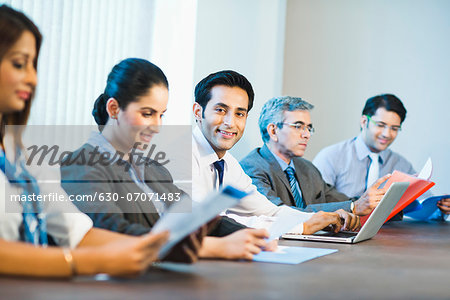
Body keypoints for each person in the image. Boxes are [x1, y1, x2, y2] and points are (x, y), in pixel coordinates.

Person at [0, 5, 180, 278]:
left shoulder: (19, 156)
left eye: (33, 65)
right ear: (114, 109)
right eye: (18, 64)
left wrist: (174, 247)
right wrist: (85, 262)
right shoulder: (82, 165)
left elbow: (77, 233)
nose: (32, 78)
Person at [60, 58, 275, 261]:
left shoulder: (151, 168)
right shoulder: (80, 164)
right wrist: (213, 247)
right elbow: (114, 233)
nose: (157, 125)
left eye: (161, 115)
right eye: (147, 114)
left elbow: (195, 216)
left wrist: (251, 236)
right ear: (114, 109)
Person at [192, 70, 355, 235]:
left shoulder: (228, 164)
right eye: (220, 110)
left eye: (239, 114)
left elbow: (270, 211)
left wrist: (319, 219)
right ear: (198, 112)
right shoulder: (182, 155)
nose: (230, 122)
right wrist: (302, 226)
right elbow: (208, 222)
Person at [240, 96, 390, 229]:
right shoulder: (251, 168)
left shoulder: (307, 168)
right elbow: (281, 214)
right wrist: (353, 207)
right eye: (298, 126)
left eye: (309, 128)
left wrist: (380, 201)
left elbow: (341, 200)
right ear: (273, 131)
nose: (306, 135)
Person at [313, 94, 449, 218]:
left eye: (394, 128)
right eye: (381, 125)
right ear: (364, 122)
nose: (387, 134)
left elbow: (424, 204)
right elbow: (316, 206)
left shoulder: (401, 164)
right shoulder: (331, 157)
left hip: (389, 239)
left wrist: (441, 208)